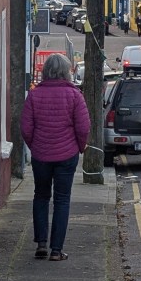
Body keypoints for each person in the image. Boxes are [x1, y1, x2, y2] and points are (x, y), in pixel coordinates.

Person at [20, 54, 90, 262]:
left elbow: (25, 128)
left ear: (46, 71)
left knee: (41, 196)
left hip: (41, 155)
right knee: (62, 200)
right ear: (66, 71)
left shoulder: (34, 95)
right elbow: (83, 127)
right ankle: (56, 250)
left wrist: (35, 146)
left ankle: (41, 243)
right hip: (67, 155)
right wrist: (80, 146)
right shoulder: (75, 95)